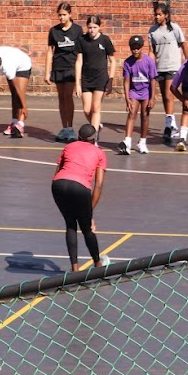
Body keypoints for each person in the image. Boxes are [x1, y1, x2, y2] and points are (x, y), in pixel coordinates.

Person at [51, 124, 109, 272]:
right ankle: (98, 265)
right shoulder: (99, 153)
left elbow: (57, 171)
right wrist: (90, 212)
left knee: (70, 224)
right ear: (94, 139)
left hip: (58, 185)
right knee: (87, 228)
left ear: (78, 137)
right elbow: (99, 185)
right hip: (80, 188)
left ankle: (74, 269)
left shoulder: (68, 147)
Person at [149, 4, 188, 146]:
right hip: (160, 67)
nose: (157, 17)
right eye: (156, 14)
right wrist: (150, 65)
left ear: (166, 15)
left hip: (173, 66)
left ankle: (169, 125)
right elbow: (152, 50)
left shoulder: (174, 28)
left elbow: (183, 45)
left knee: (168, 94)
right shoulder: (152, 31)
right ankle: (172, 125)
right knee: (165, 98)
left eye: (160, 14)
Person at [45, 2, 84, 143]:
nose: (61, 17)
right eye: (59, 15)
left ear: (70, 15)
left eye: (64, 15)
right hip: (58, 67)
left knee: (68, 96)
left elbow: (81, 51)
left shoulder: (77, 30)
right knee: (61, 98)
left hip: (71, 67)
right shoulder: (54, 31)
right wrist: (47, 72)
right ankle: (64, 128)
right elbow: (50, 52)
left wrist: (81, 70)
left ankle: (71, 127)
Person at [75, 15, 116, 131]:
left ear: (99, 27)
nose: (92, 30)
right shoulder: (82, 40)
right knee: (87, 110)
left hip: (100, 78)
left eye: (94, 27)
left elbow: (113, 61)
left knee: (96, 108)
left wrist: (110, 80)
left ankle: (94, 137)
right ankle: (96, 125)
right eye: (90, 27)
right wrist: (77, 83)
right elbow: (79, 62)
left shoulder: (105, 40)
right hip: (86, 79)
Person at [119, 35, 158, 155]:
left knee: (145, 115)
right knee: (132, 113)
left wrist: (152, 97)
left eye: (138, 47)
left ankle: (142, 142)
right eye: (133, 48)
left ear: (142, 47)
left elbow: (152, 80)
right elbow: (126, 81)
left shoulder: (149, 61)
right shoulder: (128, 63)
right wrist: (127, 98)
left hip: (146, 91)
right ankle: (127, 141)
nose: (135, 50)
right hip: (134, 91)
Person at [0, 46, 32, 139]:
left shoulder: (7, 67)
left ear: (0, 63)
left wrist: (25, 107)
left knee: (19, 93)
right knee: (14, 95)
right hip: (13, 60)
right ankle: (14, 122)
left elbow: (18, 90)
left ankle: (20, 124)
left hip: (23, 64)